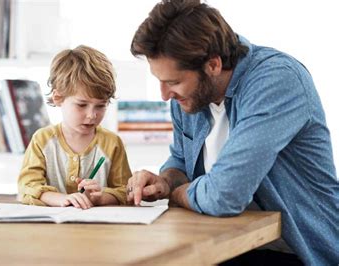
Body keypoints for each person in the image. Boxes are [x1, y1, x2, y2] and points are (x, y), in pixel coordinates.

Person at [126, 0, 338, 265]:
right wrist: (165, 182)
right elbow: (180, 161)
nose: (164, 95)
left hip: (297, 252)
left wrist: (178, 193)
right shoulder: (190, 97)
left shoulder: (276, 81)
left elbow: (224, 196)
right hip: (227, 244)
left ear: (213, 65)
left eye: (173, 82)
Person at [18, 45, 131, 209]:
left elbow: (124, 192)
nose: (92, 115)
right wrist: (62, 199)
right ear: (58, 98)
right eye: (82, 105)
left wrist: (100, 198)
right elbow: (27, 188)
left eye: (100, 106)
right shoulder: (42, 140)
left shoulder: (112, 143)